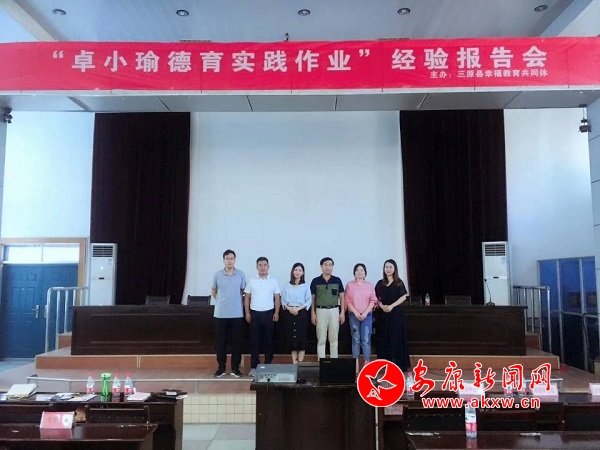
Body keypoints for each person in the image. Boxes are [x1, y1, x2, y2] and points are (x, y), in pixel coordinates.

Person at [211, 249, 246, 378]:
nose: (229, 261)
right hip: (220, 314)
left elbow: (244, 291)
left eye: (232, 258)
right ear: (223, 260)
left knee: (237, 343)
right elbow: (214, 291)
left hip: (237, 314)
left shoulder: (241, 274)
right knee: (221, 343)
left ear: (235, 260)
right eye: (227, 258)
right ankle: (221, 368)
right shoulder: (217, 275)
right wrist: (222, 302)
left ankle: (235, 369)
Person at [244, 257, 281, 376]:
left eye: (265, 265)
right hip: (254, 314)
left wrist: (276, 312)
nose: (262, 267)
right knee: (254, 342)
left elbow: (277, 297)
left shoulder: (273, 281)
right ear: (257, 267)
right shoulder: (251, 281)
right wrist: (247, 312)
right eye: (260, 265)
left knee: (268, 341)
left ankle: (268, 366)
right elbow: (247, 297)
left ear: (268, 267)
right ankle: (254, 367)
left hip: (269, 314)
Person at [374, 259, 410, 371]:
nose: (388, 269)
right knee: (383, 338)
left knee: (396, 337)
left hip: (395, 314)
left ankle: (397, 364)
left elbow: (403, 297)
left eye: (390, 267)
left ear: (394, 269)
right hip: (382, 315)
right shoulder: (380, 283)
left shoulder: (398, 282)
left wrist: (391, 306)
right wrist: (381, 305)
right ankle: (384, 364)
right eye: (386, 267)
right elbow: (375, 297)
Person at [310, 257, 345, 359]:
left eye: (330, 265)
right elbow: (313, 298)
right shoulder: (315, 281)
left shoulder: (337, 280)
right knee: (321, 338)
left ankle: (334, 363)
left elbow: (342, 296)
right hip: (320, 311)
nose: (328, 267)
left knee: (334, 339)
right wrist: (313, 313)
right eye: (325, 265)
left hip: (334, 311)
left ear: (332, 267)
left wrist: (342, 312)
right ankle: (321, 362)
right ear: (321, 267)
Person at [345, 263, 377, 373]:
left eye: (362, 270)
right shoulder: (350, 285)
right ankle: (356, 365)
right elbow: (347, 300)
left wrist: (365, 313)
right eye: (357, 270)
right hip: (354, 316)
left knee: (366, 340)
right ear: (354, 273)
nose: (359, 272)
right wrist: (356, 312)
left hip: (367, 316)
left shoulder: (370, 285)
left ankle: (366, 365)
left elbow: (373, 300)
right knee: (356, 340)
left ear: (365, 272)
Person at [281, 263, 312, 364]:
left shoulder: (306, 286)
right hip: (289, 313)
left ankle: (300, 364)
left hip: (301, 313)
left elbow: (308, 300)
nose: (297, 272)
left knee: (301, 338)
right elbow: (283, 300)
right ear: (292, 271)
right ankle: (295, 364)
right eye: (296, 270)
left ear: (303, 273)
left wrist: (298, 308)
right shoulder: (287, 285)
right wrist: (290, 308)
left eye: (300, 270)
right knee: (292, 338)